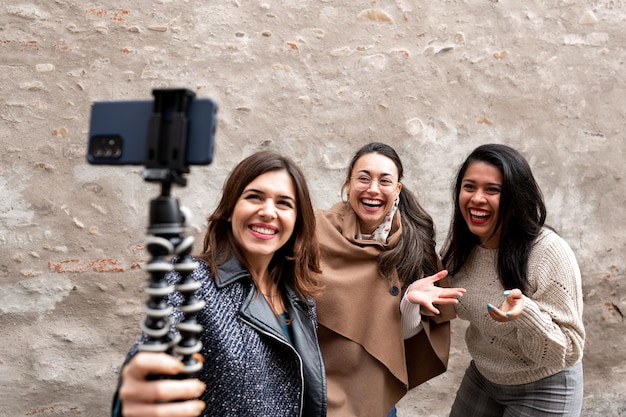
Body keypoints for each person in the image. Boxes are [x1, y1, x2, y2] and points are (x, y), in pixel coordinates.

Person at [112, 151, 327, 417]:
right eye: (254, 197)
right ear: (230, 209)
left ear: (297, 221)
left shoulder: (301, 299)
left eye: (284, 203)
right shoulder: (191, 280)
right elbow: (151, 360)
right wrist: (136, 392)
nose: (268, 212)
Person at [314, 142, 466, 417]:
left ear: (397, 190)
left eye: (384, 181)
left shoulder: (414, 247)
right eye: (363, 178)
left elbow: (399, 340)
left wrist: (409, 303)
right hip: (317, 394)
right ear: (348, 184)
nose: (373, 189)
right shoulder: (315, 231)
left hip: (375, 399)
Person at [441, 143, 586, 417]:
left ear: (515, 197)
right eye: (469, 187)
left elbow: (569, 349)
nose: (477, 198)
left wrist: (527, 314)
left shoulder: (547, 252)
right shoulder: (463, 245)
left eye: (492, 190)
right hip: (485, 377)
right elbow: (451, 303)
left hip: (546, 384)